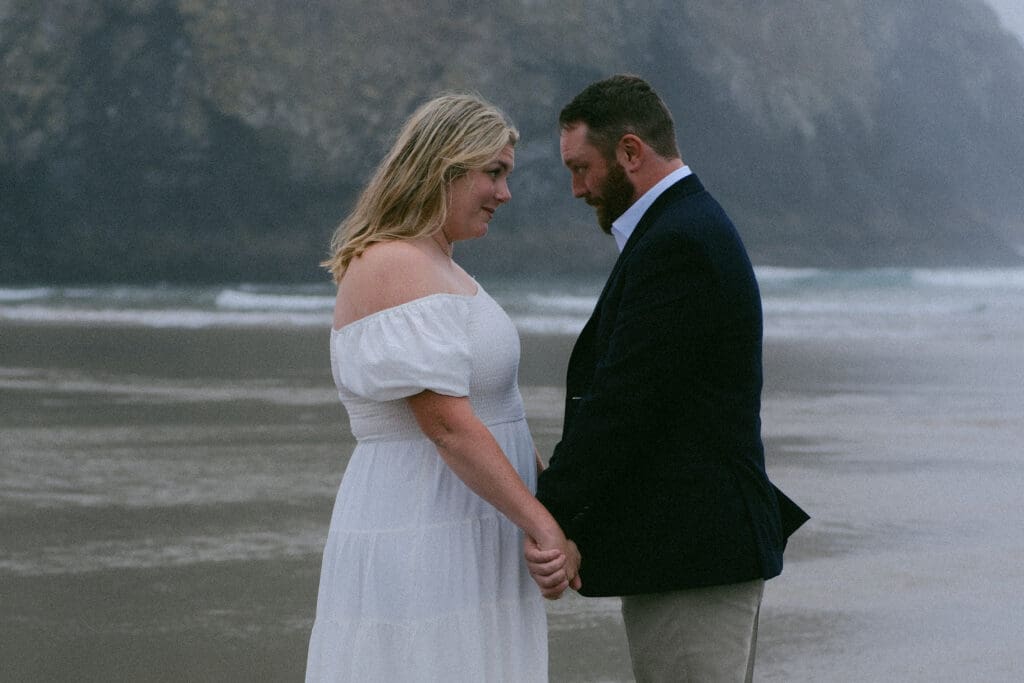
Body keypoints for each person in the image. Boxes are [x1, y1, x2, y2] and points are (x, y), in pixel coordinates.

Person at [528, 75, 809, 682]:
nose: (576, 189)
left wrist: (549, 516)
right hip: (695, 547)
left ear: (631, 151)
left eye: (582, 168)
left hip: (693, 552)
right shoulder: (682, 228)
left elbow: (626, 404)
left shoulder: (677, 243)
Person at [305, 93, 578, 682]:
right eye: (494, 173)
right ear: (444, 168)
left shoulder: (442, 266)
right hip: (425, 519)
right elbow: (449, 426)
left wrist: (547, 506)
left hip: (475, 518)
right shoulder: (393, 264)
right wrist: (542, 523)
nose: (505, 193)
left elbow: (498, 410)